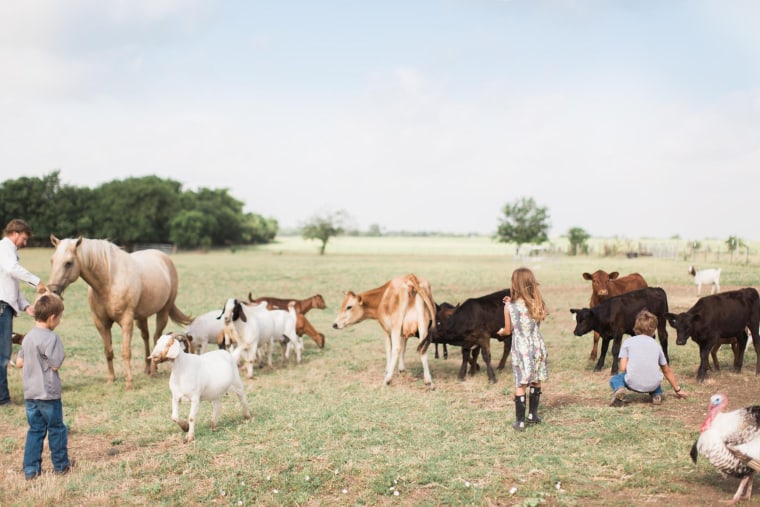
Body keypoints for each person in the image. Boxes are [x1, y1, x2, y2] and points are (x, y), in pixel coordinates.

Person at [16, 293, 72, 480]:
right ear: (52, 317)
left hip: (30, 394)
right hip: (48, 393)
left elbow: (19, 363)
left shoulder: (28, 337)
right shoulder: (52, 338)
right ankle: (61, 465)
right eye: (59, 318)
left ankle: (31, 469)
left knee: (35, 429)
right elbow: (55, 364)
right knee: (56, 428)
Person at [0, 219, 45, 406]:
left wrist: (26, 306)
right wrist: (37, 281)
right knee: (3, 354)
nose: (25, 243)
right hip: (2, 307)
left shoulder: (9, 251)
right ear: (15, 233)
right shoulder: (5, 249)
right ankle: (2, 398)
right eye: (24, 239)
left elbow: (12, 285)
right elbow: (13, 270)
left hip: (5, 305)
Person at [497, 267, 549, 431]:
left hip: (521, 347)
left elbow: (508, 330)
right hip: (537, 344)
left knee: (521, 382)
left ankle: (520, 421)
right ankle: (533, 415)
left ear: (515, 284)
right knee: (536, 378)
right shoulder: (538, 303)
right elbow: (540, 317)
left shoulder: (510, 307)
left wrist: (501, 331)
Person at [609, 309, 688, 407]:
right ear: (654, 329)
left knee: (615, 379)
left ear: (636, 326)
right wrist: (678, 389)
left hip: (633, 382)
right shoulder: (656, 345)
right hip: (652, 384)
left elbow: (623, 368)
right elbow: (666, 370)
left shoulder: (628, 342)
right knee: (655, 377)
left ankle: (619, 389)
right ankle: (656, 394)